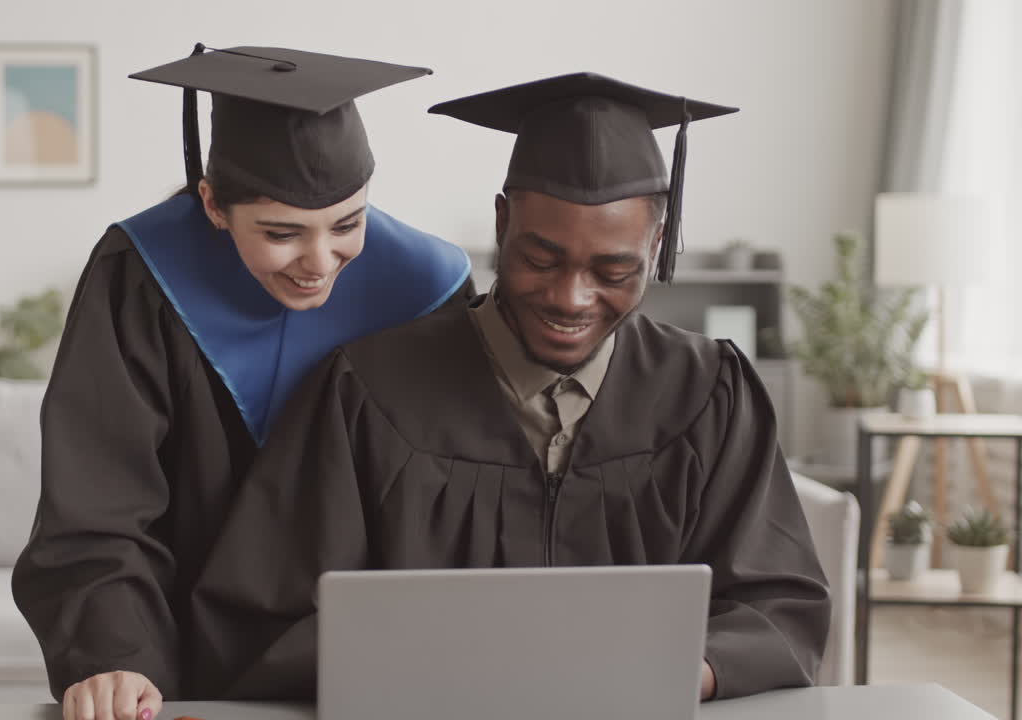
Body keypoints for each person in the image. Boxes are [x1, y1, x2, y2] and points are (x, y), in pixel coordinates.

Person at [191, 72, 831, 703]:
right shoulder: (369, 393)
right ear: (502, 224)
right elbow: (258, 620)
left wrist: (689, 669)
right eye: (540, 260)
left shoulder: (709, 394)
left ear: (656, 244)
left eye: (613, 269)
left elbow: (781, 604)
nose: (570, 298)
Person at [11, 44, 473, 720]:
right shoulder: (140, 275)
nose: (319, 262)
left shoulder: (429, 289)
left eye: (348, 223)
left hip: (376, 670)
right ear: (213, 204)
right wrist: (116, 656)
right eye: (282, 232)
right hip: (178, 665)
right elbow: (97, 501)